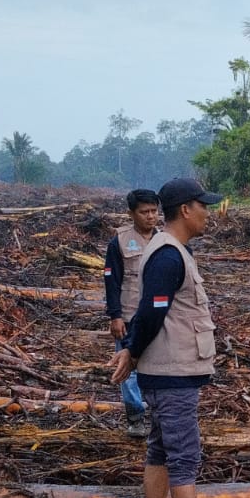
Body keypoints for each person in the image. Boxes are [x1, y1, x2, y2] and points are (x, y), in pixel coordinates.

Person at [109, 177, 231, 498]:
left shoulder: (174, 251)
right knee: (184, 454)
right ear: (185, 210)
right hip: (170, 372)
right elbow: (150, 311)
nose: (208, 213)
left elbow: (155, 310)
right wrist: (131, 350)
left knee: (161, 448)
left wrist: (132, 350)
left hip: (172, 369)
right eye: (203, 206)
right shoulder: (168, 257)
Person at [104, 188, 161, 439]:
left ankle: (159, 415)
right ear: (131, 213)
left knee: (160, 365)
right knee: (128, 368)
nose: (150, 216)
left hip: (158, 316)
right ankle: (136, 417)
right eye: (144, 212)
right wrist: (115, 316)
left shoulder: (165, 240)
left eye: (154, 211)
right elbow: (112, 281)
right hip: (128, 315)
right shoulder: (119, 242)